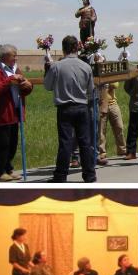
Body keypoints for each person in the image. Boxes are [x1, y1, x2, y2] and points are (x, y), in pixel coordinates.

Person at [44, 35, 97, 183]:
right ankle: (89, 175)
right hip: (82, 107)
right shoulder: (86, 67)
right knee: (85, 142)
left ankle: (61, 175)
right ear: (77, 48)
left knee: (66, 142)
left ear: (63, 48)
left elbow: (48, 86)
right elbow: (91, 90)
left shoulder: (57, 66)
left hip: (65, 107)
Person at [0, 44, 33, 182]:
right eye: (14, 55)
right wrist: (11, 79)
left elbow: (23, 89)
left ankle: (8, 168)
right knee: (3, 143)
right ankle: (0, 171)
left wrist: (27, 86)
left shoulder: (15, 69)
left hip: (15, 110)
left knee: (13, 143)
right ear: (5, 56)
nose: (16, 58)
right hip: (1, 112)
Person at [97, 81, 128, 165]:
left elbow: (115, 85)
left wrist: (107, 83)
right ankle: (102, 152)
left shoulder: (109, 72)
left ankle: (122, 150)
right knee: (101, 130)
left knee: (119, 126)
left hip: (113, 104)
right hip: (101, 104)